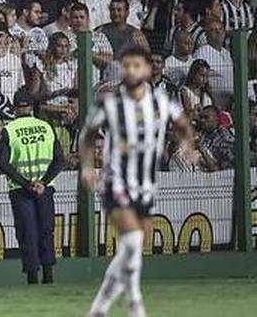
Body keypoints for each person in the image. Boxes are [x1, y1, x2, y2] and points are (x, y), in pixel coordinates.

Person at [81, 46, 191, 317]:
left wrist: (188, 145)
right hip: (115, 182)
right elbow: (87, 136)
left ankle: (99, 309)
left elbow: (184, 125)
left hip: (145, 186)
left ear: (147, 69)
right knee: (131, 241)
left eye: (136, 65)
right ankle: (135, 304)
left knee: (134, 249)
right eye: (126, 65)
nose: (131, 70)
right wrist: (87, 167)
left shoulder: (162, 102)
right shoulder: (110, 103)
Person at [0, 91, 62, 285]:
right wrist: (43, 182)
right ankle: (48, 275)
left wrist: (26, 183)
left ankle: (32, 276)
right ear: (32, 108)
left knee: (28, 232)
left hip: (20, 189)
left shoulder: (10, 129)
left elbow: (3, 162)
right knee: (45, 230)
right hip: (45, 187)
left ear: (15, 108)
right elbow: (59, 160)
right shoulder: (47, 127)